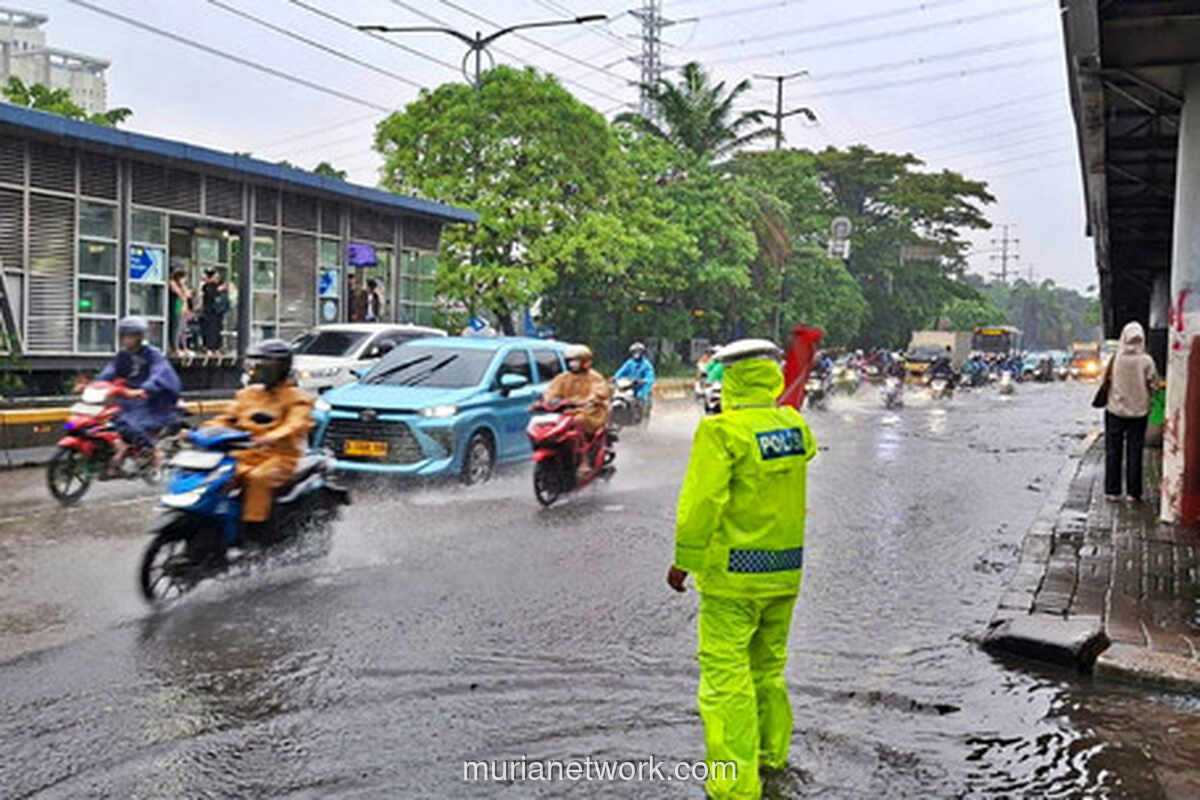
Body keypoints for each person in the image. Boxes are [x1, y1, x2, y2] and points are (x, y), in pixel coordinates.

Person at [668, 338, 817, 800]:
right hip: (785, 572)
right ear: (769, 376)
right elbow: (806, 449)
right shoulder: (793, 425)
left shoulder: (720, 432)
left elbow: (700, 504)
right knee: (768, 670)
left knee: (724, 682)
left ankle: (734, 788)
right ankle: (772, 755)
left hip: (734, 578)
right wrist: (780, 405)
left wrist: (684, 561)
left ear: (729, 378)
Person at [206, 339, 314, 538]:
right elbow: (227, 418)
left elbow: (295, 424)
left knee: (258, 478)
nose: (259, 369)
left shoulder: (297, 397)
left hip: (280, 458)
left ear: (281, 367)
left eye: (266, 364)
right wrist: (198, 433)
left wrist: (270, 437)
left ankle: (255, 532)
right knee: (216, 477)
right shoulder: (248, 394)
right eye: (257, 364)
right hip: (245, 454)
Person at [95, 316, 181, 471]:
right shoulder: (123, 355)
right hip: (129, 397)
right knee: (106, 419)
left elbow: (160, 373)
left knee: (132, 423)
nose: (127, 340)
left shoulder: (153, 354)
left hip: (151, 399)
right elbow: (111, 371)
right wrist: (96, 384)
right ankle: (118, 447)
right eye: (125, 336)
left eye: (131, 336)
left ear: (140, 337)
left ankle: (155, 452)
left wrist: (146, 388)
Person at [1103, 321, 1159, 503]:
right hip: (1139, 413)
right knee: (1135, 452)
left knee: (1113, 451)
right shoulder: (1146, 361)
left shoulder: (1115, 358)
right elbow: (1154, 385)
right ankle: (1133, 493)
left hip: (1114, 411)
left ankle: (1112, 491)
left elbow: (1106, 380)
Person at [541, 344, 612, 479]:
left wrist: (592, 400)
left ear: (585, 361)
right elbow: (552, 392)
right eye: (571, 361)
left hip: (590, 413)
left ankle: (584, 461)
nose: (573, 364)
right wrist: (547, 401)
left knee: (578, 421)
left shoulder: (594, 377)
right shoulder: (563, 378)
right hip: (567, 412)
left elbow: (601, 391)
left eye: (577, 360)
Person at [614, 341, 656, 417]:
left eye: (638, 352)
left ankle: (639, 414)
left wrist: (644, 381)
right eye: (634, 352)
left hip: (641, 387)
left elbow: (650, 376)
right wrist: (615, 377)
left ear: (642, 353)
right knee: (616, 394)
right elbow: (621, 371)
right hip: (630, 384)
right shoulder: (629, 363)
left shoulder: (646, 365)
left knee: (640, 397)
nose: (636, 354)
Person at [200, 268, 229, 356]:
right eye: (215, 277)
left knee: (218, 329)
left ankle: (216, 347)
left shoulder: (220, 285)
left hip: (218, 312)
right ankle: (209, 347)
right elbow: (209, 295)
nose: (216, 279)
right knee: (210, 330)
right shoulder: (207, 286)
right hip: (210, 312)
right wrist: (218, 289)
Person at [168, 269, 193, 355]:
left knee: (183, 329)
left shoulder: (183, 286)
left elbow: (188, 296)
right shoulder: (173, 283)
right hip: (177, 305)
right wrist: (184, 292)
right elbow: (181, 295)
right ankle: (175, 348)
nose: (184, 280)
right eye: (183, 278)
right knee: (177, 327)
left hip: (183, 306)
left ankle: (184, 347)